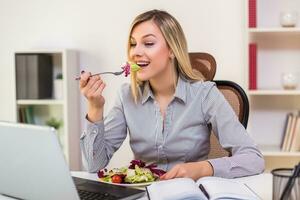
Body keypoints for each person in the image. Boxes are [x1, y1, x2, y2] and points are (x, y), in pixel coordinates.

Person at [79, 9, 264, 180]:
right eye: (133, 44)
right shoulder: (126, 96)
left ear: (172, 50)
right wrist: (95, 107)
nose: (136, 52)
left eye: (148, 43)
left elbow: (254, 159)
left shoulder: (205, 94)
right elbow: (94, 165)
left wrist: (202, 168)